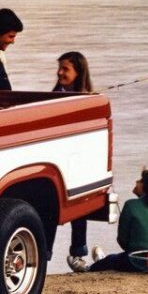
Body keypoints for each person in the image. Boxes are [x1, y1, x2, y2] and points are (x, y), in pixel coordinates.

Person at [85, 168, 148, 272]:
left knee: (110, 260)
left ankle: (88, 268)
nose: (136, 182)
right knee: (114, 259)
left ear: (147, 188)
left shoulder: (131, 205)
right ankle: (101, 261)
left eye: (140, 181)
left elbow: (122, 239)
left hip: (135, 262)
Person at [53, 52, 95, 270]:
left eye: (65, 69)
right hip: (56, 161)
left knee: (81, 209)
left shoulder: (87, 98)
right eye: (59, 68)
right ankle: (45, 253)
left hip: (77, 161)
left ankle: (78, 253)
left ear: (78, 73)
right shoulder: (53, 96)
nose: (60, 73)